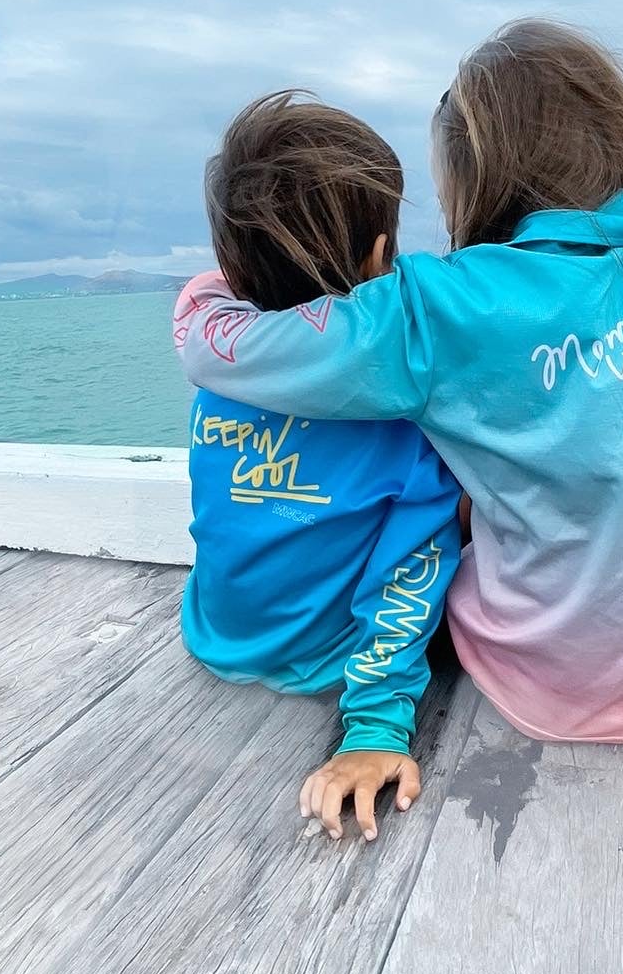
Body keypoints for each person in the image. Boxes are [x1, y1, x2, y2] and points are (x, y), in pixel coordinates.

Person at [173, 20, 623, 755]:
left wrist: (204, 303)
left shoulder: (436, 303)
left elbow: (252, 353)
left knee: (448, 490)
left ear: (477, 172)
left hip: (530, 678)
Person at [176, 92, 461, 843]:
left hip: (220, 629)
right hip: (321, 658)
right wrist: (374, 729)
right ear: (379, 257)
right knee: (456, 510)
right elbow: (412, 571)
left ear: (231, 265)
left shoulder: (218, 374)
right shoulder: (401, 419)